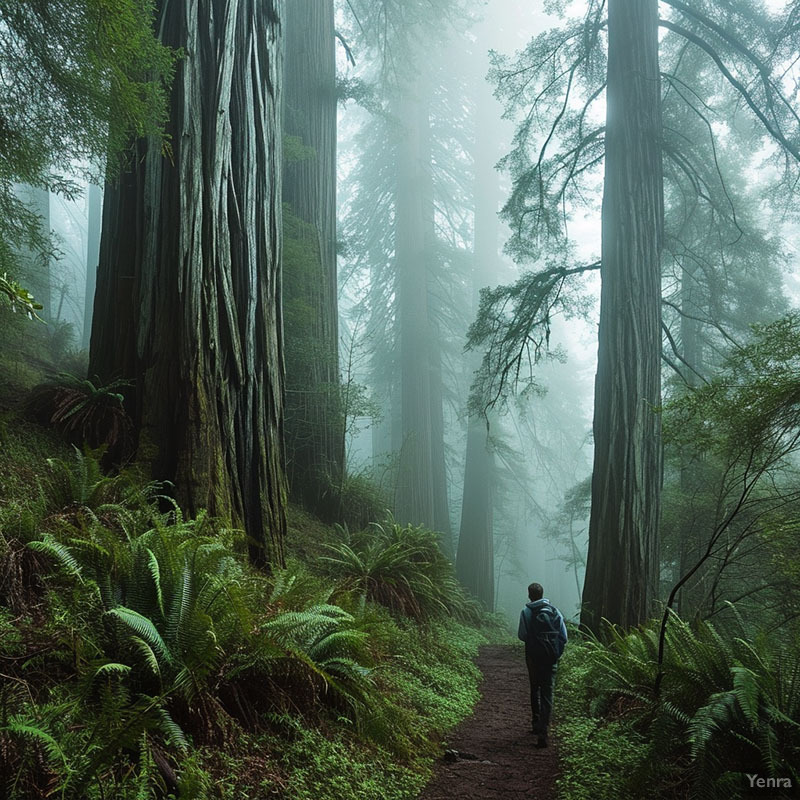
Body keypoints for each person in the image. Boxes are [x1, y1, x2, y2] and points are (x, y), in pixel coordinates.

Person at [517, 582, 568, 748]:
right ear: (542, 594)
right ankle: (543, 732)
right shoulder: (555, 611)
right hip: (551, 658)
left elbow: (522, 635)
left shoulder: (526, 612)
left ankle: (535, 723)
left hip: (533, 658)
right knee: (548, 693)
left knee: (535, 689)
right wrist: (555, 653)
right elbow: (564, 637)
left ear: (529, 595)